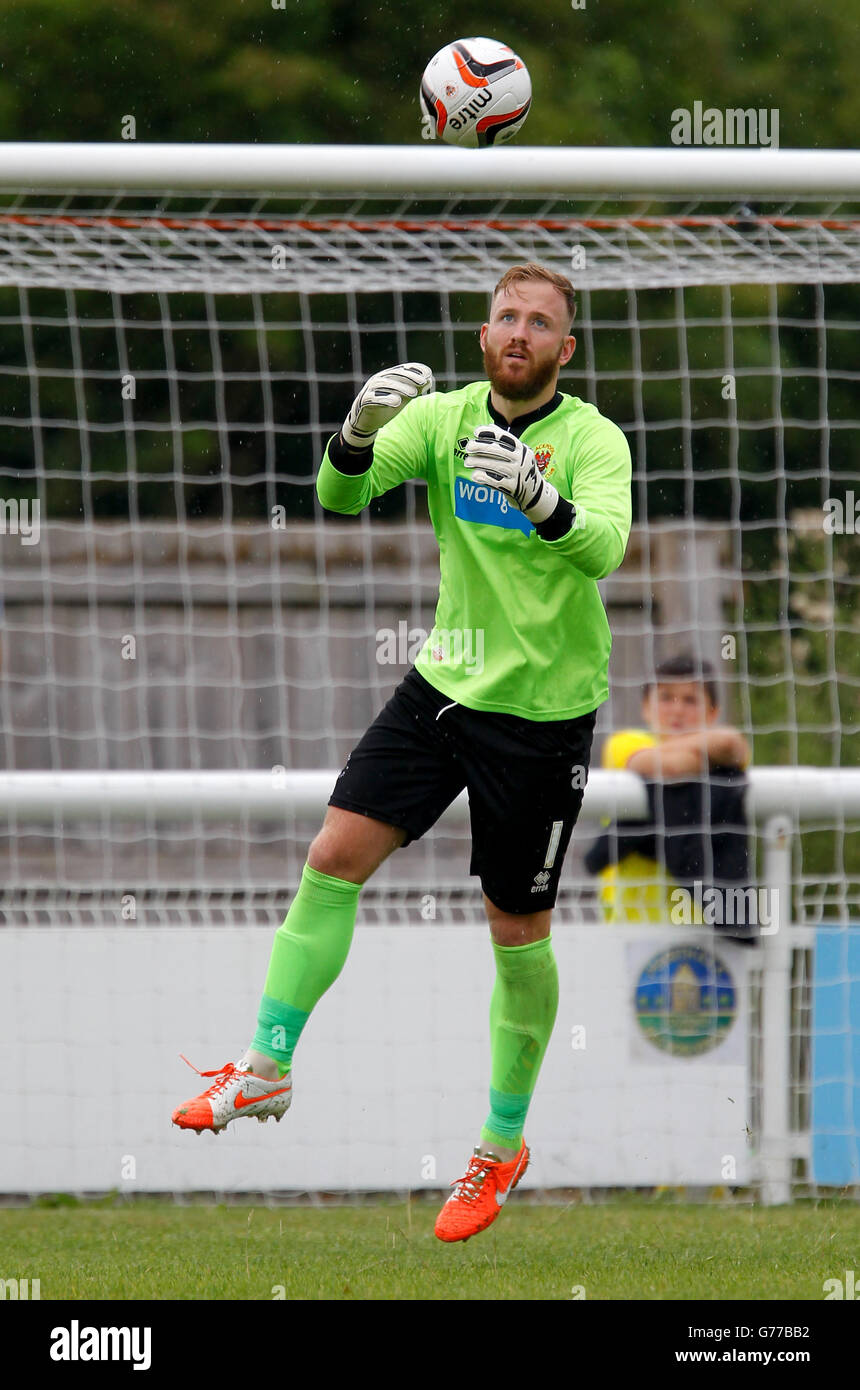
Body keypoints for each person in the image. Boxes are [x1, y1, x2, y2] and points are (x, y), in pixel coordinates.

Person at [172, 262, 632, 1242]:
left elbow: (604, 548)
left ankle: (498, 1144)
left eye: (539, 322)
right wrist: (356, 429)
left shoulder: (591, 439)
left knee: (514, 929)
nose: (519, 331)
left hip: (543, 717)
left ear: (564, 348)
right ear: (481, 334)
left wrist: (542, 500)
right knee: (333, 853)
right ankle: (265, 1069)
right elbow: (337, 498)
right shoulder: (445, 417)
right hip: (443, 684)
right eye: (505, 316)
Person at [585, 654, 752, 929]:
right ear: (646, 708)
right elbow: (670, 768)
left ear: (713, 712)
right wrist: (705, 757)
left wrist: (699, 754)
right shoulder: (625, 743)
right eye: (665, 698)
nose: (677, 710)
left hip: (701, 927)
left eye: (690, 700)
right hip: (630, 925)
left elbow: (733, 744)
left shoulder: (726, 756)